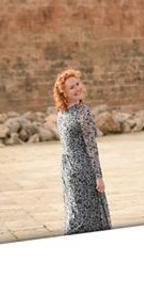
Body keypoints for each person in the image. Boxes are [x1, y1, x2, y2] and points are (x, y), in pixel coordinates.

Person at [53, 68, 112, 235]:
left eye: (78, 84)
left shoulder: (61, 113)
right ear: (63, 93)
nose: (78, 88)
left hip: (68, 171)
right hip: (83, 171)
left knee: (75, 216)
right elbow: (91, 147)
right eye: (71, 87)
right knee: (90, 219)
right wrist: (98, 176)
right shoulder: (82, 112)